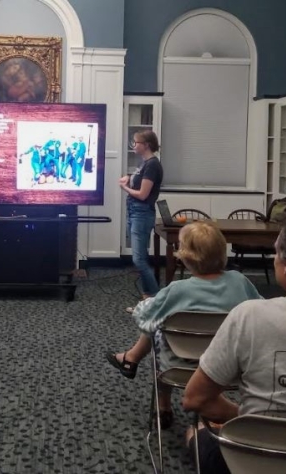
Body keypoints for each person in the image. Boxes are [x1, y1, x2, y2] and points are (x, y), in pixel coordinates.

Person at [183, 213, 286, 474]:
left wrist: (243, 419)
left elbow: (194, 399)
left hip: (255, 459)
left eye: (276, 253)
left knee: (197, 432)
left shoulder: (250, 316)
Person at [106, 221, 262, 427]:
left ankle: (163, 405)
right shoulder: (240, 281)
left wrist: (142, 305)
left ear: (185, 257)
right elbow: (261, 312)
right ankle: (131, 359)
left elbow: (144, 318)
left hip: (178, 367)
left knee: (158, 328)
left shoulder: (177, 290)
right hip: (229, 367)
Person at [119, 130, 163, 307]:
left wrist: (125, 188)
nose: (134, 145)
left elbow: (143, 194)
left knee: (138, 259)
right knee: (141, 257)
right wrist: (130, 178)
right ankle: (147, 299)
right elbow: (140, 182)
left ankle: (156, 301)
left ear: (146, 145)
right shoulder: (145, 163)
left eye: (136, 142)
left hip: (141, 212)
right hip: (136, 212)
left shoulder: (152, 165)